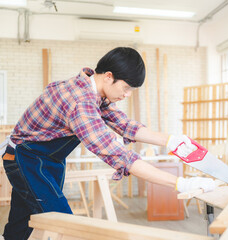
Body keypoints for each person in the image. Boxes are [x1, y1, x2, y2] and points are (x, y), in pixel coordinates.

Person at [0, 47, 215, 240]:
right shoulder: (80, 103)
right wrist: (181, 183)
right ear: (109, 77)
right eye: (126, 88)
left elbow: (125, 124)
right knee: (64, 224)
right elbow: (119, 155)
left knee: (20, 223)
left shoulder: (93, 90)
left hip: (42, 159)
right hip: (25, 160)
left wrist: (171, 140)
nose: (127, 95)